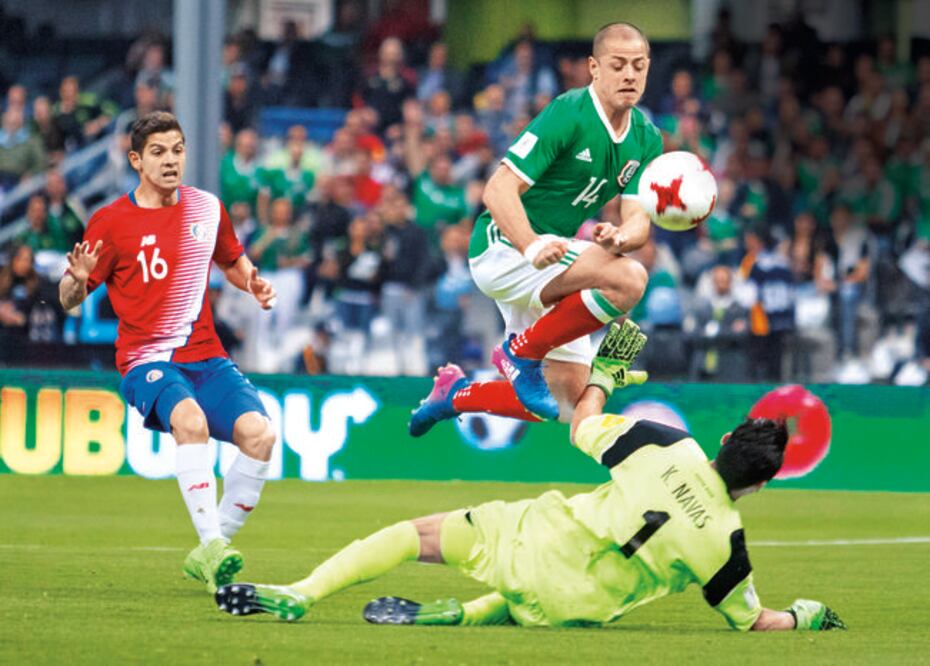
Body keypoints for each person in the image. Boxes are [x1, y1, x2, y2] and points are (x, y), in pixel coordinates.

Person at [214, 321, 845, 633]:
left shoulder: (668, 446)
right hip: (577, 610)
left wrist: (604, 372)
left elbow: (581, 424)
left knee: (416, 535)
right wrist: (807, 616)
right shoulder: (728, 547)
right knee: (544, 594)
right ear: (760, 485)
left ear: (726, 439)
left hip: (535, 540)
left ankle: (305, 592)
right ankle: (462, 616)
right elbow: (755, 621)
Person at [58, 111, 278, 593]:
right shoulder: (112, 222)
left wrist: (252, 283)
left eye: (177, 149)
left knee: (261, 437)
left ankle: (210, 550)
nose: (171, 160)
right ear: (136, 160)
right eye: (158, 152)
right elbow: (68, 300)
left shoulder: (206, 209)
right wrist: (75, 283)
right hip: (148, 361)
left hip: (208, 357)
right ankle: (214, 545)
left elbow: (232, 260)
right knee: (191, 422)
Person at [409, 22, 662, 436]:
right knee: (630, 278)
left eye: (639, 66)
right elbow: (497, 189)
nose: (630, 75)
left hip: (553, 257)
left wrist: (622, 236)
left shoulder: (647, 138)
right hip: (504, 249)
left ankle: (453, 396)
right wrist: (529, 245)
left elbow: (637, 220)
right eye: (618, 65)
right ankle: (521, 351)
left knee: (563, 405)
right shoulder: (569, 112)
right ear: (594, 68)